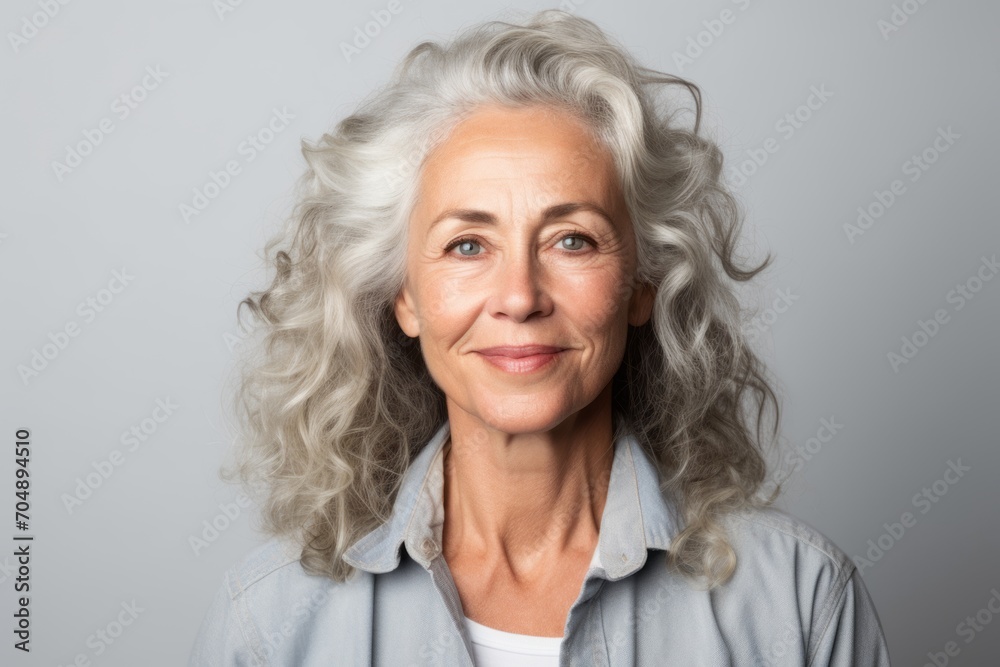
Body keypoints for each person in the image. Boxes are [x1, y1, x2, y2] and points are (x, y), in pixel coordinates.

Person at [189, 9, 891, 666]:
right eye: (467, 245)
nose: (520, 296)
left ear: (644, 281)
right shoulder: (273, 621)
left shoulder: (798, 604)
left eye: (572, 239)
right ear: (402, 295)